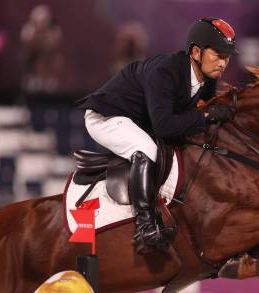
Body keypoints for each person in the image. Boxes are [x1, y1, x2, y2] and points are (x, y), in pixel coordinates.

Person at [77, 17, 237, 254]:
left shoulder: (207, 80)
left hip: (139, 120)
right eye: (218, 55)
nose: (224, 63)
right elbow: (165, 127)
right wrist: (206, 116)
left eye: (227, 57)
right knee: (147, 149)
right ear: (195, 52)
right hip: (107, 116)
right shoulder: (165, 71)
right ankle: (145, 228)